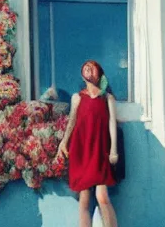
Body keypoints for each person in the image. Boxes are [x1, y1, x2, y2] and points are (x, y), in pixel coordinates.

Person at [57, 60, 119, 227]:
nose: (88, 68)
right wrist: (63, 142)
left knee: (102, 197)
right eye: (85, 67)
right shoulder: (77, 97)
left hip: (100, 150)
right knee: (84, 199)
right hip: (81, 149)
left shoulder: (107, 98)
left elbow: (112, 123)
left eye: (92, 67)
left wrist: (114, 150)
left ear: (99, 74)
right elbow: (72, 121)